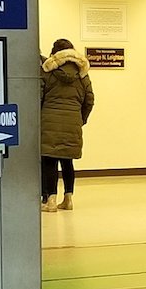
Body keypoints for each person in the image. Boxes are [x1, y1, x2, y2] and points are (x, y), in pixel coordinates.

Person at [39, 38, 94, 212]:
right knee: (67, 161)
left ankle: (51, 200)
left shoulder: (47, 71)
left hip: (49, 120)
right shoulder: (82, 74)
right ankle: (68, 198)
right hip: (73, 121)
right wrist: (81, 119)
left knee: (49, 160)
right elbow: (90, 100)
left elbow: (38, 96)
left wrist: (39, 117)